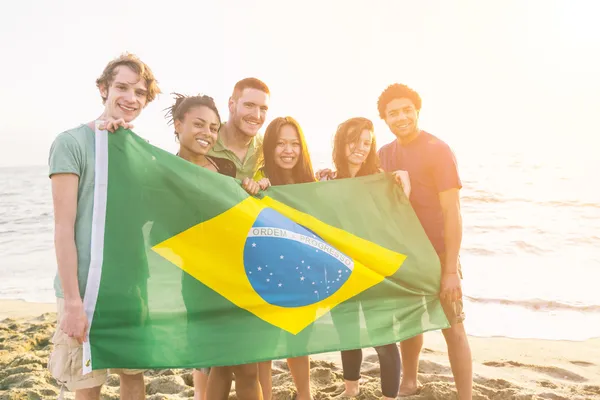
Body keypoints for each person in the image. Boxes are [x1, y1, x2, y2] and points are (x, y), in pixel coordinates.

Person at [47, 53, 161, 400]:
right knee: (88, 384)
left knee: (133, 376)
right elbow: (64, 228)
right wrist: (72, 302)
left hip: (130, 286)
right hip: (84, 287)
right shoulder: (70, 143)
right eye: (122, 87)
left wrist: (125, 151)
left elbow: (151, 215)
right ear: (103, 89)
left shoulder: (139, 151)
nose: (131, 98)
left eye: (140, 92)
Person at [163, 93, 262, 400]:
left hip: (236, 276)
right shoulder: (164, 171)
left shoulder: (226, 169)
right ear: (178, 125)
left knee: (246, 368)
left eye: (213, 127)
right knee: (218, 363)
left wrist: (256, 188)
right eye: (198, 124)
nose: (207, 133)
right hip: (198, 283)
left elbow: (246, 214)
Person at [376, 84, 472, 399]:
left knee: (453, 327)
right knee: (409, 325)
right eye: (393, 113)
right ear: (384, 118)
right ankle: (409, 382)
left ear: (417, 110)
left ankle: (465, 395)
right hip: (406, 256)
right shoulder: (384, 154)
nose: (401, 117)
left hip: (440, 254)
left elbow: (452, 212)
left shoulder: (438, 149)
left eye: (406, 110)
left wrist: (450, 270)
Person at [320, 117, 401, 400]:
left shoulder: (379, 180)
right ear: (341, 143)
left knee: (384, 338)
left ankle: (390, 397)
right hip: (339, 268)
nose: (361, 148)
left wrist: (403, 178)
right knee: (348, 333)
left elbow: (398, 219)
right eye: (355, 141)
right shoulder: (328, 181)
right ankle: (351, 390)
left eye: (367, 143)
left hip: (373, 271)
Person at [253, 117, 315, 400]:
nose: (288, 150)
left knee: (299, 342)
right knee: (263, 345)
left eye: (294, 144)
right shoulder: (259, 178)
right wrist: (257, 188)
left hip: (301, 273)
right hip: (265, 271)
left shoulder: (310, 182)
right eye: (280, 144)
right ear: (269, 147)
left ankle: (305, 395)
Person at [208, 77, 270, 179]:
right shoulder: (206, 140)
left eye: (263, 109)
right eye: (249, 105)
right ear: (231, 105)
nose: (257, 116)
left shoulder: (266, 149)